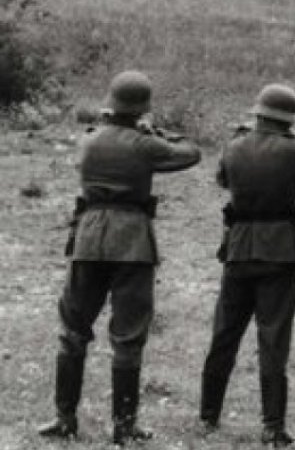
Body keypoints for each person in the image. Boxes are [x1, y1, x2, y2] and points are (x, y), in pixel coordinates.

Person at [37, 70, 201, 444]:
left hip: (90, 235)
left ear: (110, 103)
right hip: (132, 241)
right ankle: (124, 427)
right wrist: (156, 132)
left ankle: (65, 418)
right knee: (128, 336)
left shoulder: (89, 141)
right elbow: (192, 153)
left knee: (73, 330)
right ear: (143, 108)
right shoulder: (145, 145)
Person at [197, 84, 295, 447]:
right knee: (273, 338)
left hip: (239, 246)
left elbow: (222, 179)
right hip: (279, 248)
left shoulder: (234, 146)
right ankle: (272, 426)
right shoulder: (294, 149)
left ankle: (208, 414)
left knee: (224, 333)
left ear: (258, 113)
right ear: (288, 118)